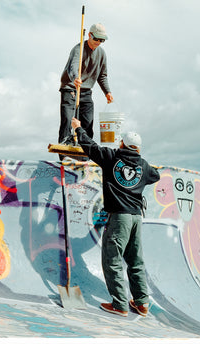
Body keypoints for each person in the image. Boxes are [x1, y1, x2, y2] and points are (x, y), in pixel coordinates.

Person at [71, 117, 160, 317]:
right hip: (137, 217)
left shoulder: (111, 156)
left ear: (122, 144)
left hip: (119, 217)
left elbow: (90, 146)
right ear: (138, 148)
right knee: (135, 260)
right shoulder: (144, 166)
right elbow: (156, 175)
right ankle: (142, 303)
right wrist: (140, 165)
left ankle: (120, 304)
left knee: (113, 259)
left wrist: (78, 129)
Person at [58, 23, 114, 145]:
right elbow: (73, 67)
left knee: (88, 121)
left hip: (86, 91)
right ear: (89, 35)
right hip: (70, 87)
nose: (98, 42)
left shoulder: (102, 54)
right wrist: (75, 78)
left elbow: (102, 75)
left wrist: (107, 92)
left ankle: (86, 148)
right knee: (68, 119)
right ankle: (64, 145)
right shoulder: (78, 49)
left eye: (102, 40)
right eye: (96, 39)